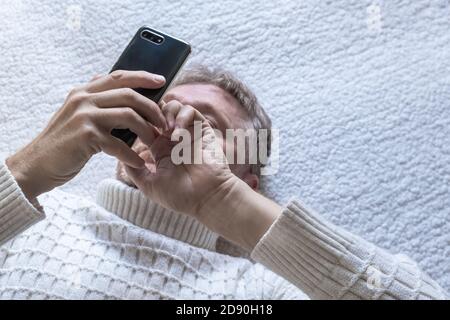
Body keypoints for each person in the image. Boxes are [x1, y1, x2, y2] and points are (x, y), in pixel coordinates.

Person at [0, 66, 447, 300]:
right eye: (155, 108)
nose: (166, 126)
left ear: (248, 180)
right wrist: (23, 173)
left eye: (204, 126)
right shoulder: (33, 213)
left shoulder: (254, 290)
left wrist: (224, 201)